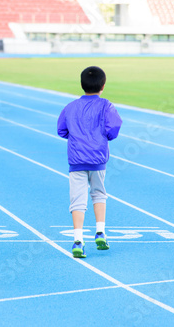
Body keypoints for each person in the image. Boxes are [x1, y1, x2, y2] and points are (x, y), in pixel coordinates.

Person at [57, 66, 122, 258]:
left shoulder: (70, 107)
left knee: (77, 200)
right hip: (98, 159)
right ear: (103, 85)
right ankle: (100, 232)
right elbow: (114, 127)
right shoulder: (106, 105)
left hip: (76, 160)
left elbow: (61, 130)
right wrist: (104, 137)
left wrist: (76, 136)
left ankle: (78, 241)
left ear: (81, 84)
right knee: (99, 194)